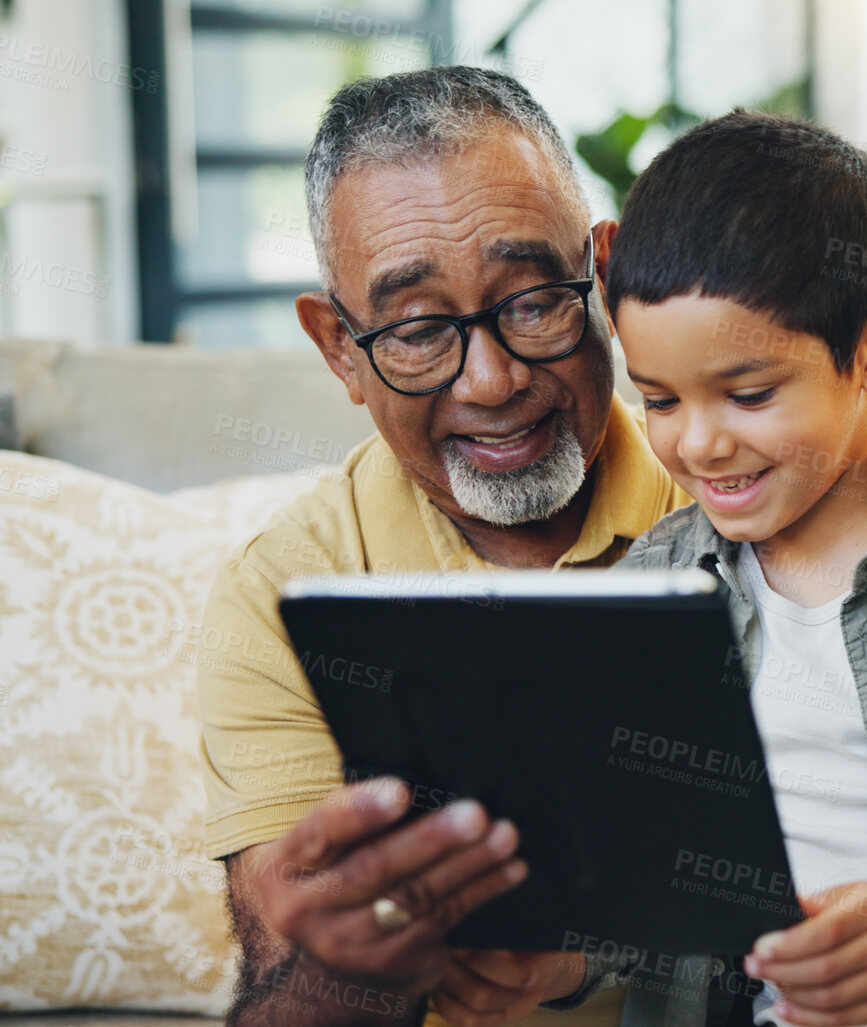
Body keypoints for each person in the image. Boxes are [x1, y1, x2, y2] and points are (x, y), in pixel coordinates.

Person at [433, 110, 867, 1027]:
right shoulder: (653, 583)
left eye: (750, 394)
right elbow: (644, 886)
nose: (697, 443)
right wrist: (550, 962)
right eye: (657, 399)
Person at [195, 66, 683, 1027]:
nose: (493, 379)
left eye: (536, 299)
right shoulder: (281, 595)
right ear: (340, 346)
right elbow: (284, 1003)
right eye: (418, 329)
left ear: (605, 274)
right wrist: (351, 969)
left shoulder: (747, 496)